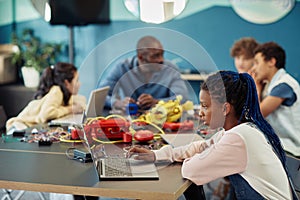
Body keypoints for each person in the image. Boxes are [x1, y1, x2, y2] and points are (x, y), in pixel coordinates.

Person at [127, 70, 298, 200]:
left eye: (204, 106)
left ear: (225, 108)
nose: (200, 113)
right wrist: (157, 155)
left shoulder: (237, 138)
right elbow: (200, 147)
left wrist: (194, 158)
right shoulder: (240, 130)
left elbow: (191, 170)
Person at [98, 35, 189, 112]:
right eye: (155, 56)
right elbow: (99, 96)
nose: (161, 60)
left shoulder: (171, 69)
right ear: (140, 57)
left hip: (163, 121)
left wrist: (156, 102)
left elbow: (182, 98)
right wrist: (118, 103)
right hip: (130, 121)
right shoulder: (122, 67)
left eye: (162, 54)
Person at [6, 62, 86, 131]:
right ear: (66, 83)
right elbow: (46, 114)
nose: (80, 84)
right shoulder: (56, 90)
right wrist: (70, 109)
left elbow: (79, 102)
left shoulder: (65, 94)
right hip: (18, 127)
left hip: (30, 128)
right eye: (77, 80)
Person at [250, 41, 300, 146]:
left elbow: (257, 115)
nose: (253, 68)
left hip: (291, 149)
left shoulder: (284, 85)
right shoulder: (270, 85)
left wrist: (256, 89)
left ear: (271, 62)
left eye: (257, 62)